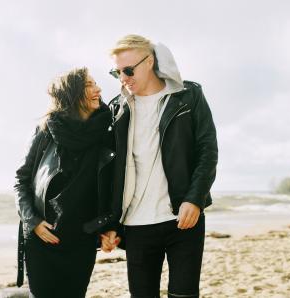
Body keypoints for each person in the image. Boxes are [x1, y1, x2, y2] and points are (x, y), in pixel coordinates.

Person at [101, 34, 218, 298]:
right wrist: (108, 223)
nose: (123, 78)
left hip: (183, 218)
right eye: (116, 72)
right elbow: (108, 172)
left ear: (150, 61)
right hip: (136, 224)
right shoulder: (117, 109)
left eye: (128, 70)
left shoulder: (188, 96)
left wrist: (194, 199)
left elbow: (207, 150)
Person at [14, 67, 118, 298]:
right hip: (43, 238)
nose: (98, 89)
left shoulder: (106, 132)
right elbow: (21, 180)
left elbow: (111, 186)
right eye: (89, 85)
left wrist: (109, 227)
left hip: (81, 239)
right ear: (72, 94)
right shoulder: (46, 131)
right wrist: (34, 222)